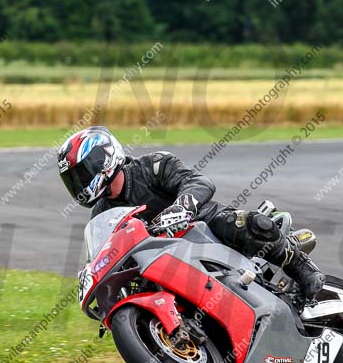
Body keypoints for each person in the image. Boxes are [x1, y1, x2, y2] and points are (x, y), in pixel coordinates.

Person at [57, 126, 326, 299]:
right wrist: (91, 276)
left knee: (250, 224)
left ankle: (301, 268)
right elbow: (104, 257)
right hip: (162, 262)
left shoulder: (152, 166)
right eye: (73, 180)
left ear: (102, 160)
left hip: (202, 225)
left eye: (81, 174)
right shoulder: (101, 215)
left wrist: (182, 206)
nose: (79, 184)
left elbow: (200, 183)